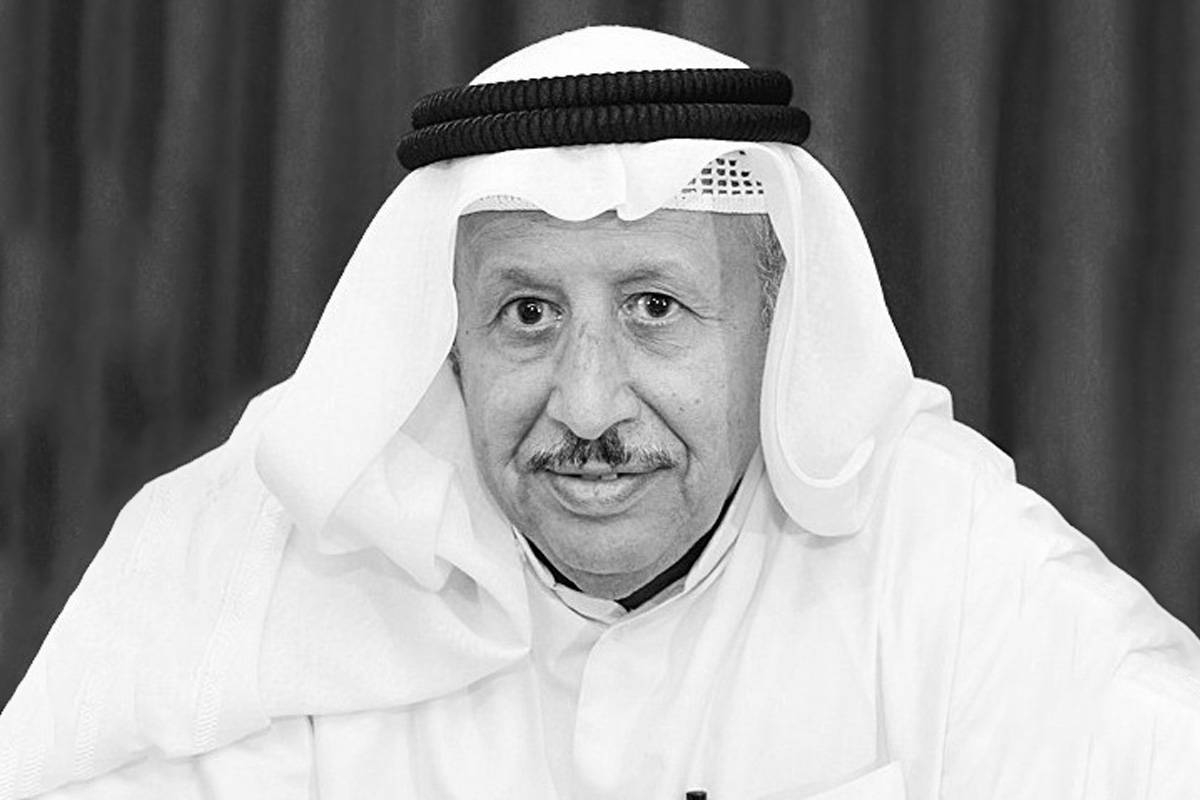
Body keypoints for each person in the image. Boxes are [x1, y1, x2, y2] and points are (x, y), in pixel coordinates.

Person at [2, 25, 1198, 800]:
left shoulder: (951, 562)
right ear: (448, 335)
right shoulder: (265, 559)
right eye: (526, 312)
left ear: (774, 323)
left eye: (656, 308)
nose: (585, 403)